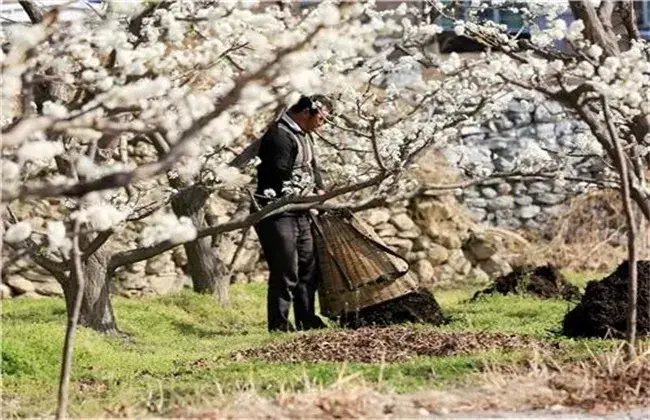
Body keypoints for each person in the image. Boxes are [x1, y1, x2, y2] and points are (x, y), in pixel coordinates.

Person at [252, 94, 333, 332]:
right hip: (277, 210)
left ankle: (306, 318)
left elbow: (311, 166)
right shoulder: (279, 136)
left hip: (300, 209)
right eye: (322, 117)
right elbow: (278, 176)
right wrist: (304, 194)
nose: (323, 124)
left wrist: (319, 188)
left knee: (308, 268)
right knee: (286, 269)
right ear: (306, 112)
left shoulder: (304, 136)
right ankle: (278, 324)